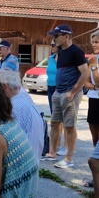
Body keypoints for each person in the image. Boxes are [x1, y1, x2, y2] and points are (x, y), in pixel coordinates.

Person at [43, 24, 89, 169]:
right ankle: (52, 153)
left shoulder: (76, 52)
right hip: (58, 92)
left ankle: (69, 158)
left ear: (66, 36)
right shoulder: (61, 52)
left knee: (69, 125)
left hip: (70, 94)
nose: (54, 39)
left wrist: (72, 92)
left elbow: (85, 73)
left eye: (56, 36)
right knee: (55, 122)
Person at [46, 40, 67, 156]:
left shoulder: (65, 58)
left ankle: (65, 145)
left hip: (61, 88)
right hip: (50, 87)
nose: (51, 47)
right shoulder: (50, 58)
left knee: (64, 117)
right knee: (55, 116)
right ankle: (56, 143)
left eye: (53, 45)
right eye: (50, 45)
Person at [85, 31, 99, 189]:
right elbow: (87, 83)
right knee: (95, 141)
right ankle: (96, 177)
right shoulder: (92, 60)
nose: (94, 45)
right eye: (93, 42)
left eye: (97, 42)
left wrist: (94, 64)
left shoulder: (93, 60)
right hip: (93, 100)